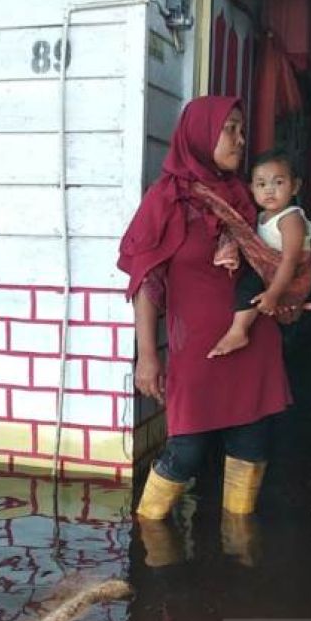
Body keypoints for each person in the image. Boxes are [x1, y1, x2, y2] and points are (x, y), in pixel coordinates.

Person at [118, 96, 294, 552]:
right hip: (197, 348)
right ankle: (147, 545)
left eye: (240, 128)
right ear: (200, 134)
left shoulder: (242, 193)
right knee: (188, 451)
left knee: (252, 445)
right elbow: (144, 282)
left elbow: (278, 254)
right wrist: (148, 356)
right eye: (229, 129)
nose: (240, 139)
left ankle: (237, 557)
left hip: (254, 341)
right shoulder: (167, 199)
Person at [207, 149, 311, 357]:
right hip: (273, 272)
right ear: (252, 189)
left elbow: (291, 260)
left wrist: (274, 294)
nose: (269, 191)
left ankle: (239, 331)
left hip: (290, 275)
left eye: (278, 183)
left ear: (295, 186)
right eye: (262, 184)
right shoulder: (261, 217)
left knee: (249, 285)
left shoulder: (290, 219)